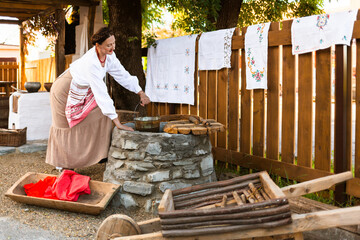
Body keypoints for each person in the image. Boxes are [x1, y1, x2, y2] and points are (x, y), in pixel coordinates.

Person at [45, 27, 150, 170]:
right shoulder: (91, 63)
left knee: (103, 114)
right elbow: (101, 93)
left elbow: (123, 75)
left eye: (114, 43)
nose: (112, 47)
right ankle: (63, 165)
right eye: (108, 45)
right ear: (98, 45)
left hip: (82, 89)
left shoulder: (110, 56)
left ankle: (98, 154)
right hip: (64, 89)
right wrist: (118, 123)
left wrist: (140, 92)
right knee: (65, 126)